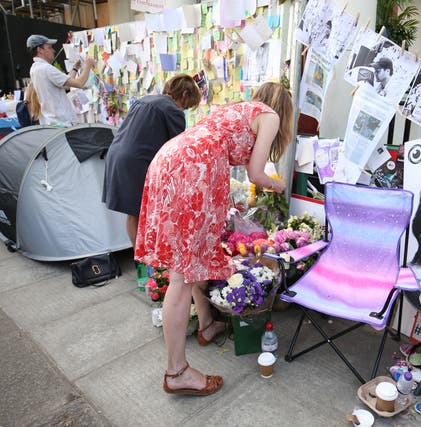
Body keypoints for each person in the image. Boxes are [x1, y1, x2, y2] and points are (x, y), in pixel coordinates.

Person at [135, 82, 293, 396]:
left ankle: (206, 325)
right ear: (284, 109)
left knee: (188, 263)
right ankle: (176, 372)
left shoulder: (240, 109)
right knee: (181, 276)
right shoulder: (270, 116)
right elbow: (256, 174)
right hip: (197, 168)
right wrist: (278, 185)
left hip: (172, 157)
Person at [103, 74, 202, 249]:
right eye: (187, 105)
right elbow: (176, 150)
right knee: (146, 213)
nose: (185, 109)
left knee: (134, 213)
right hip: (137, 162)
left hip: (116, 154)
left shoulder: (145, 100)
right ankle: (148, 260)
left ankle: (139, 258)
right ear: (185, 94)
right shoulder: (173, 110)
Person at [27, 34, 96, 126]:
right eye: (50, 47)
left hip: (52, 122)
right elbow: (79, 83)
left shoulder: (35, 68)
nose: (53, 50)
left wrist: (75, 69)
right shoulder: (46, 68)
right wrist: (88, 66)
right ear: (40, 50)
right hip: (62, 122)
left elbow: (66, 85)